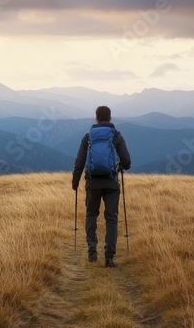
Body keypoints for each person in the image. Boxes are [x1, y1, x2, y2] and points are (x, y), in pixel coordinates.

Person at [72, 105, 132, 268]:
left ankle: (92, 251)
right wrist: (119, 166)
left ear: (96, 118)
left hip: (92, 182)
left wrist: (75, 181)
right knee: (111, 219)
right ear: (110, 118)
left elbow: (80, 161)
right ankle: (109, 257)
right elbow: (127, 162)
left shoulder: (88, 136)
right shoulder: (116, 135)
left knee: (91, 214)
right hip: (111, 183)